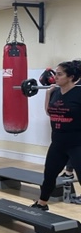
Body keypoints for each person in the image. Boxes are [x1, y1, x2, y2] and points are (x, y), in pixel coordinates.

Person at [32, 60, 81, 210]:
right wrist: (48, 94)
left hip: (77, 143)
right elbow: (49, 112)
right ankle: (42, 204)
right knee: (49, 174)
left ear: (71, 77)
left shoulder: (79, 93)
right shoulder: (55, 92)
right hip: (58, 142)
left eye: (59, 74)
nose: (55, 77)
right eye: (56, 74)